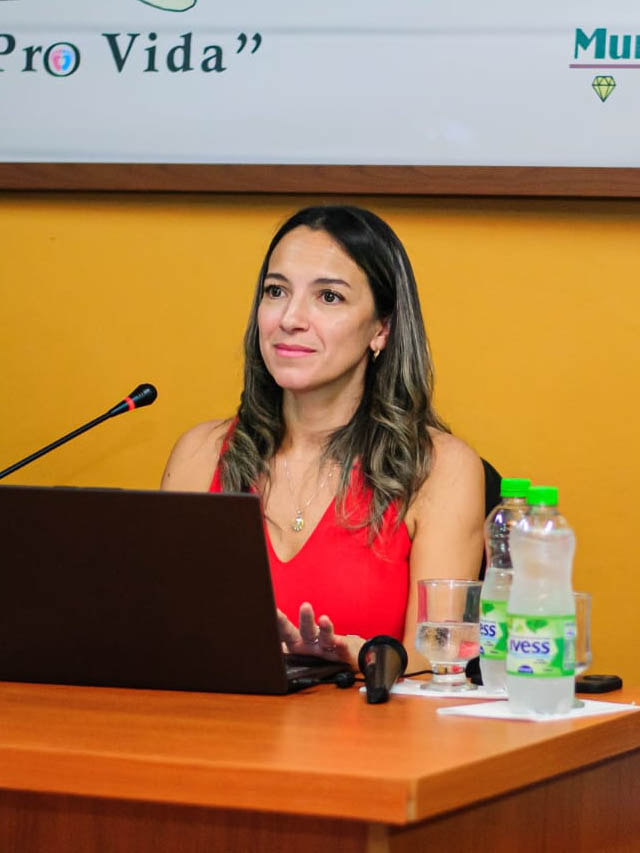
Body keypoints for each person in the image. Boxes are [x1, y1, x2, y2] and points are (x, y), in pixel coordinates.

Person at [161, 205, 484, 672]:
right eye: (276, 291)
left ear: (382, 328)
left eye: (328, 297)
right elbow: (164, 631)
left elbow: (443, 655)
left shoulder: (441, 468)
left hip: (370, 717)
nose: (290, 318)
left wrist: (365, 655)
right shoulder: (200, 453)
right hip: (220, 717)